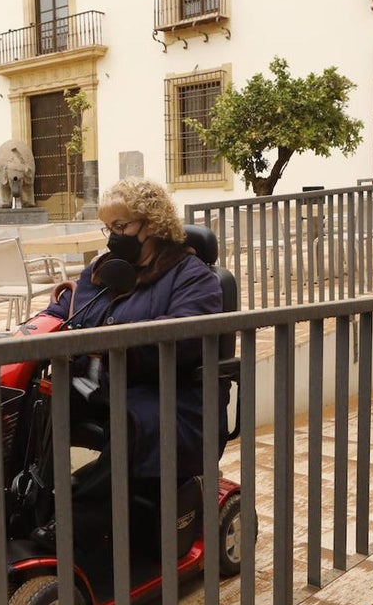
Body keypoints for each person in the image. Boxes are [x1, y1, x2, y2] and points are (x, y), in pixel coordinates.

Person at [31, 177, 228, 548]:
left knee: (131, 422)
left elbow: (185, 336)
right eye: (108, 228)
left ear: (151, 224)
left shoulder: (192, 276)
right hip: (99, 386)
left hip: (168, 394)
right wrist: (30, 330)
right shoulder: (107, 269)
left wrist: (109, 345)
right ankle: (31, 498)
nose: (111, 238)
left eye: (121, 227)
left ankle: (75, 517)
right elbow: (64, 308)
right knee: (35, 400)